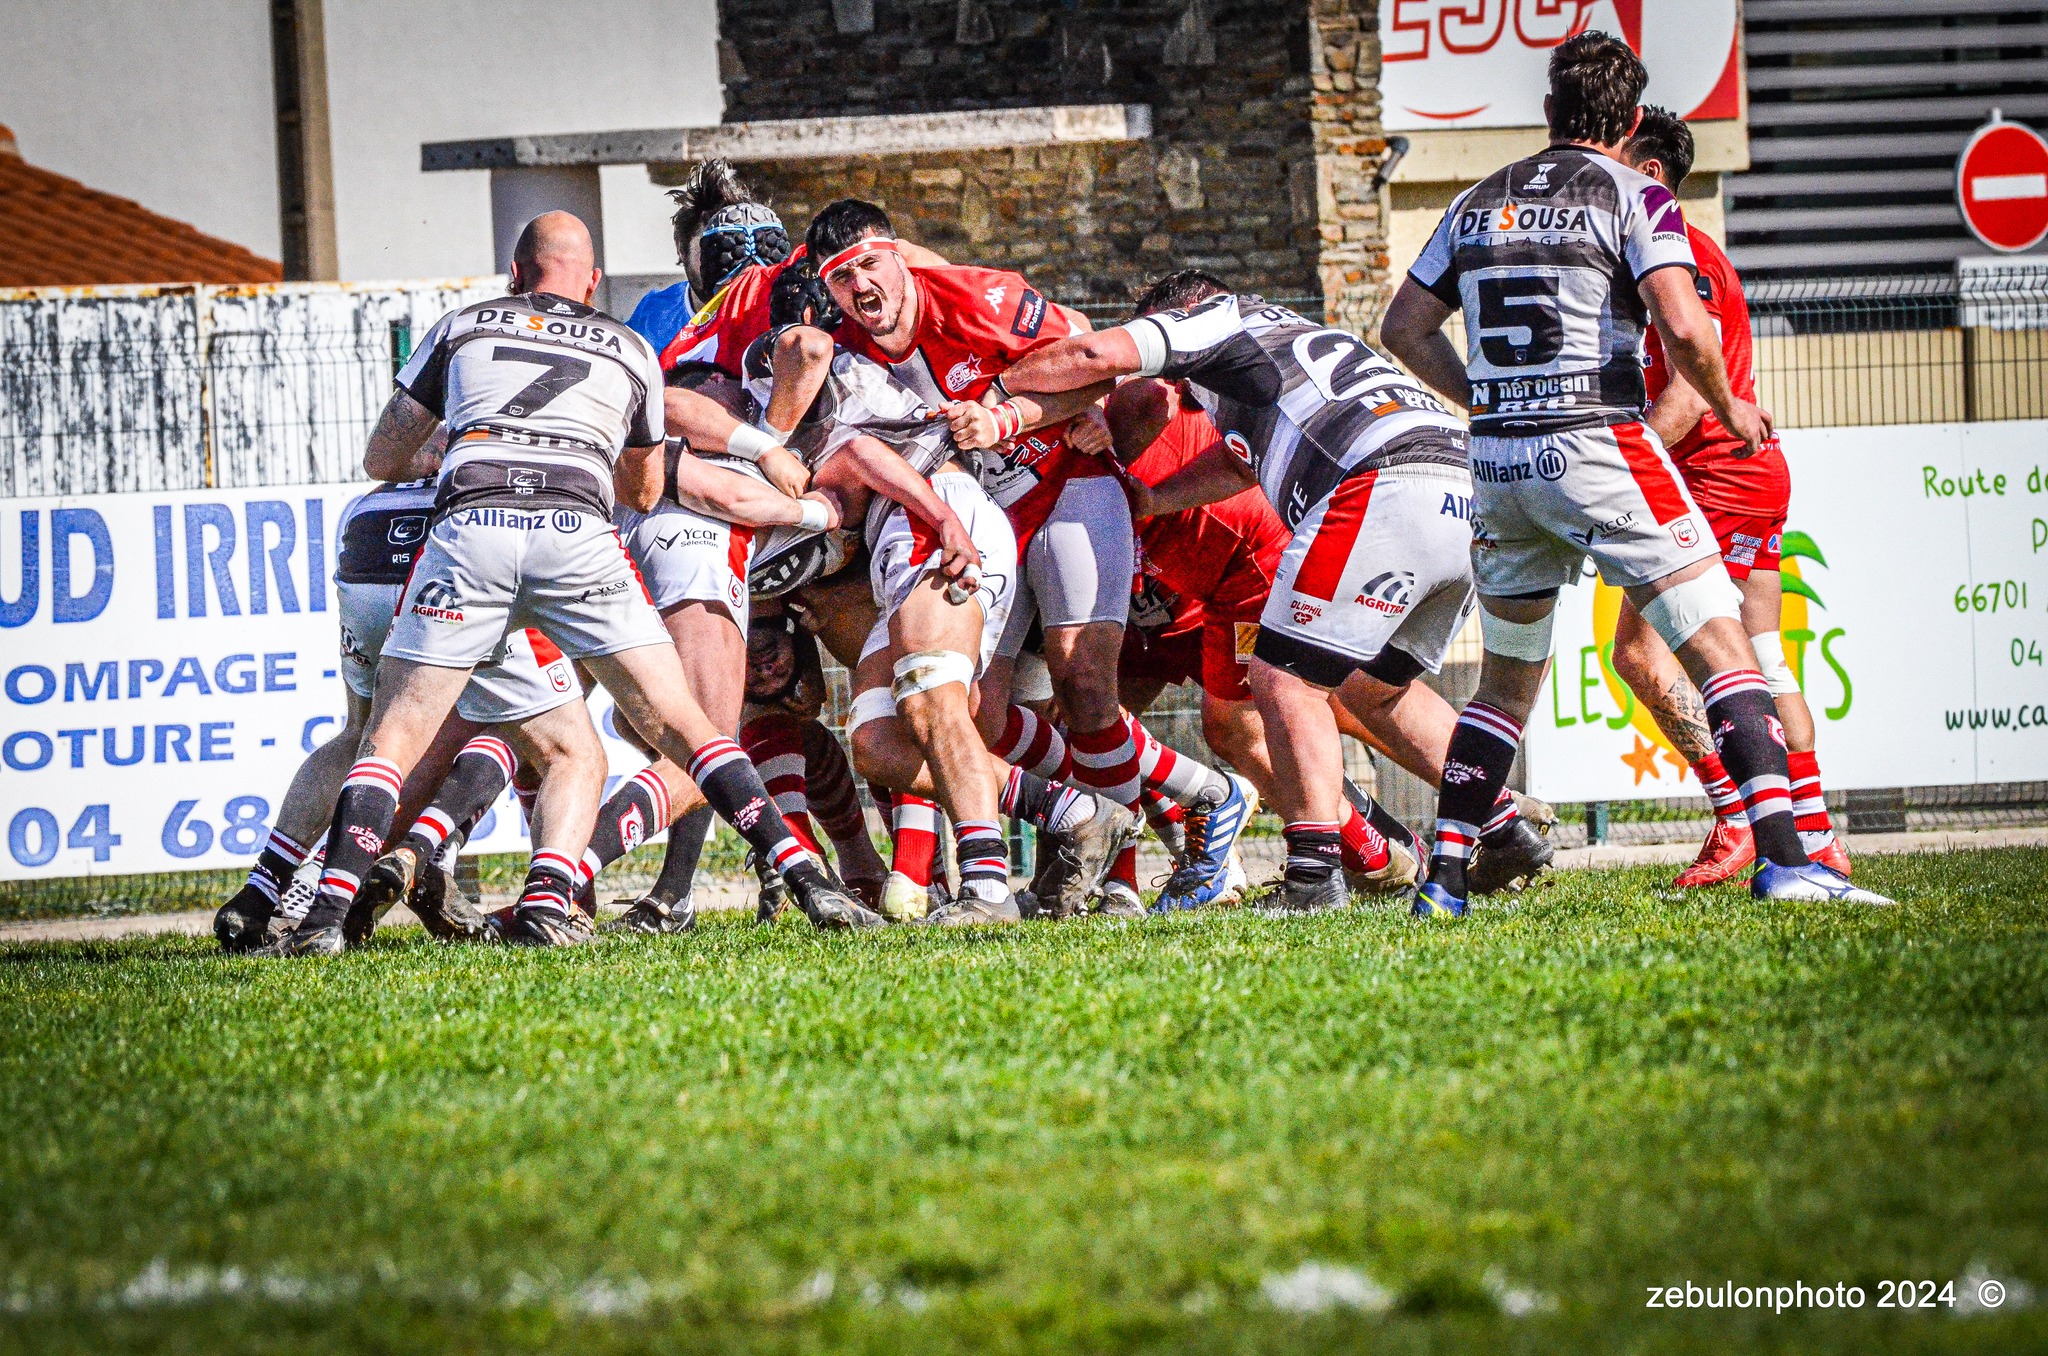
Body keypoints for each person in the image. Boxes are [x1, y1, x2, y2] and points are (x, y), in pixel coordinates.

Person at [263, 212, 873, 955]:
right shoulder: (633, 345)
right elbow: (646, 486)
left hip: (474, 527)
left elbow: (382, 458)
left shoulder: (464, 326)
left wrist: (473, 440)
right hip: (587, 535)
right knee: (682, 728)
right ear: (592, 284)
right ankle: (795, 879)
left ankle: (325, 913)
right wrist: (794, 483)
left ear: (516, 276)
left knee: (398, 734)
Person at [1376, 32, 1887, 913]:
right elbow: (1685, 329)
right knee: (1725, 647)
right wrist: (1732, 409)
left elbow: (1404, 327)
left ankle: (1446, 881)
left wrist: (1487, 399)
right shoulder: (1634, 194)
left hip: (1500, 460)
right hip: (1599, 444)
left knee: (1504, 683)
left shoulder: (1474, 200)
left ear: (1549, 111)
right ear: (1632, 120)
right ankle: (1788, 860)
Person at [987, 268, 1551, 913]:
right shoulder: (1286, 342)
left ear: (1179, 317)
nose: (1169, 379)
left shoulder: (1216, 322)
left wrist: (996, 397)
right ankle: (1505, 829)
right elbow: (1239, 462)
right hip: (1465, 488)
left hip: (1379, 488)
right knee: (1374, 691)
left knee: (1280, 686)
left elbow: (1094, 353)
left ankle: (1315, 879)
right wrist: (1154, 498)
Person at [806, 200, 1248, 917]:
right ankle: (1189, 792)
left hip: (1070, 486)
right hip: (990, 517)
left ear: (900, 257)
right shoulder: (843, 348)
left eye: (868, 265)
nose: (859, 286)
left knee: (1085, 683)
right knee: (973, 716)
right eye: (840, 278)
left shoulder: (975, 296)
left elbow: (1089, 353)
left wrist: (1017, 415)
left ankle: (1119, 882)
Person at [1607, 107, 1851, 887]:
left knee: (1640, 653)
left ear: (1649, 174)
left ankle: (1740, 814)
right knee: (1765, 658)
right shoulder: (1666, 251)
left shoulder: (1678, 253)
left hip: (1718, 474)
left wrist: (1611, 469)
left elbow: (1686, 393)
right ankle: (1817, 839)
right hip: (1743, 471)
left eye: (1613, 157)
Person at [212, 470, 605, 951]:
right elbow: (639, 488)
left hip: (374, 530)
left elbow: (380, 457)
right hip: (471, 536)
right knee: (563, 745)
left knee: (368, 735)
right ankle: (533, 900)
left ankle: (267, 888)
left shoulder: (440, 417)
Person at [625, 159, 793, 358]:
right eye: (713, 248)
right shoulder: (654, 314)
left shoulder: (785, 311)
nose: (740, 266)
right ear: (681, 249)